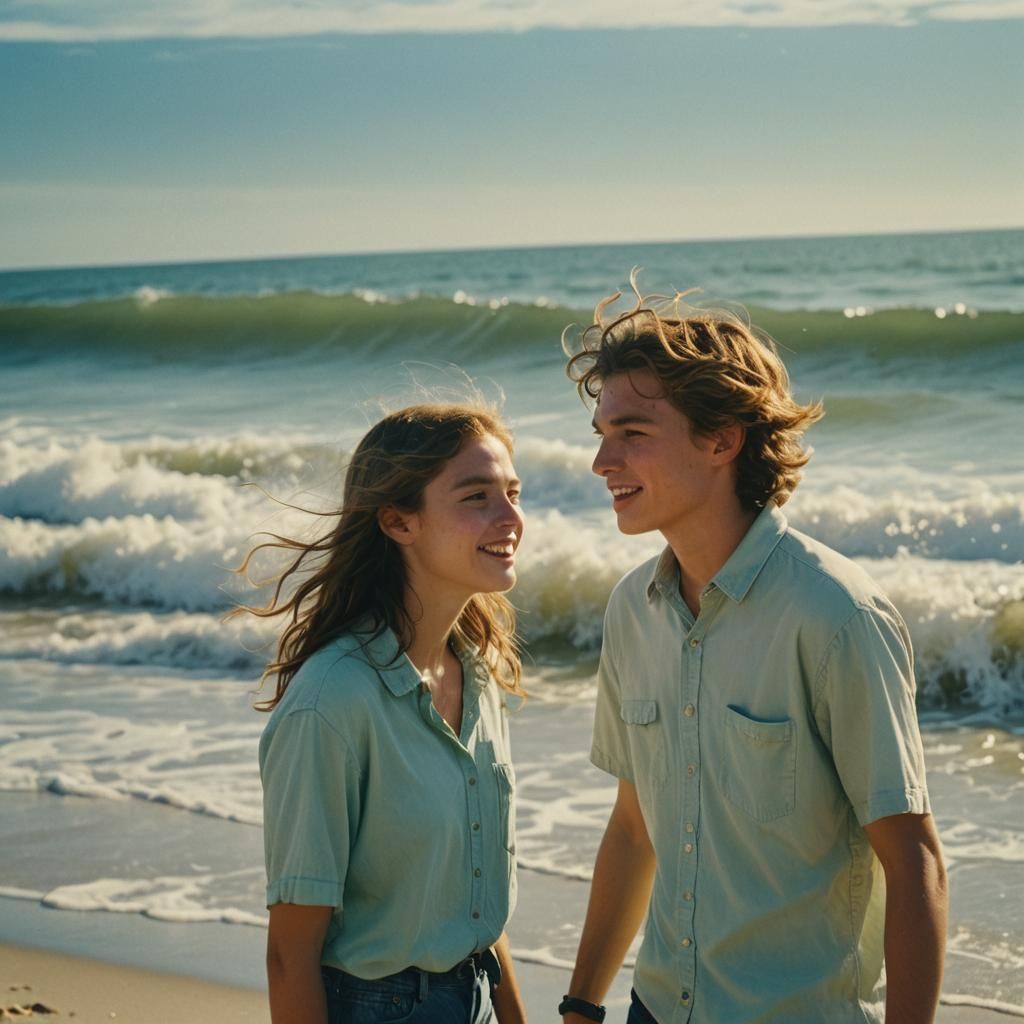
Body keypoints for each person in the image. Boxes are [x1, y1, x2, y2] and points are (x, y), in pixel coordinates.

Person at [557, 281, 948, 1024]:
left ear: (721, 439)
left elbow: (913, 860)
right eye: (602, 433)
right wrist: (581, 1005)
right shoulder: (632, 610)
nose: (603, 460)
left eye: (632, 432)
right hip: (654, 1009)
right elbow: (634, 830)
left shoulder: (837, 615)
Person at [242, 402, 529, 1024]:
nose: (511, 518)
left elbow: (473, 905)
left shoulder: (477, 674)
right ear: (399, 522)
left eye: (513, 493)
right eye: (477, 497)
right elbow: (290, 957)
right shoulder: (332, 702)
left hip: (476, 995)